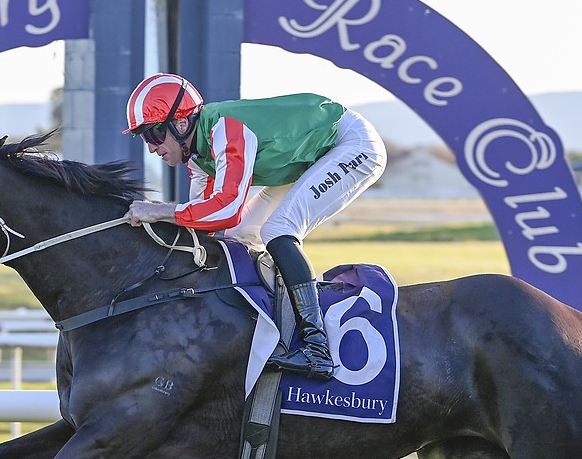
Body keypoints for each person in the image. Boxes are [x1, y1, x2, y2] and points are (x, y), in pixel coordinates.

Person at [123, 73, 387, 381]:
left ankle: (317, 349)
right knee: (238, 238)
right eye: (144, 138)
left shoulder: (225, 130)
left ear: (180, 124)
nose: (151, 148)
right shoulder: (195, 156)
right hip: (308, 157)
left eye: (153, 135)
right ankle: (266, 327)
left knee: (278, 230)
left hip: (349, 144)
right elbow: (204, 224)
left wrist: (158, 211)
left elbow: (226, 209)